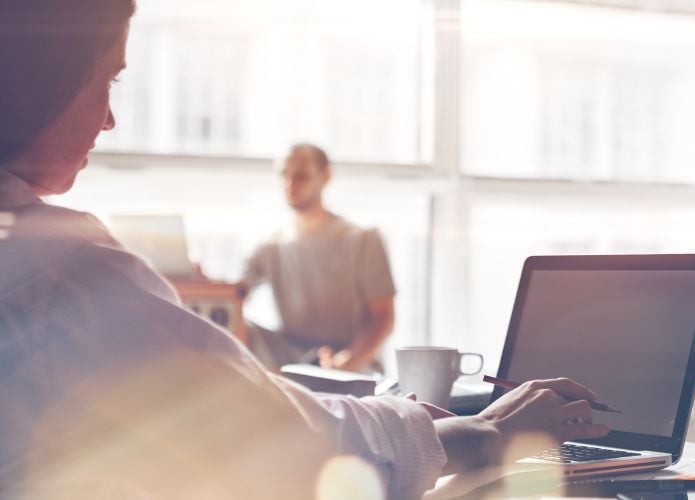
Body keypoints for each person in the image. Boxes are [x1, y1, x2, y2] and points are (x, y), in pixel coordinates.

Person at [0, 1, 610, 499]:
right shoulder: (63, 269)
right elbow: (268, 434)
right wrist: (482, 433)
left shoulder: (359, 238)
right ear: (40, 80)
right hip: (329, 402)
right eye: (107, 77)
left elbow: (375, 323)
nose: (109, 119)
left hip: (349, 382)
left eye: (300, 173)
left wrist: (351, 372)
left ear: (323, 178)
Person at [242, 143, 395, 372]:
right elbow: (233, 295)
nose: (290, 184)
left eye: (301, 176)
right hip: (290, 364)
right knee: (244, 326)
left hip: (352, 364)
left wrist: (348, 360)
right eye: (285, 175)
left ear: (325, 176)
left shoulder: (364, 239)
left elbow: (383, 317)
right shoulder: (269, 247)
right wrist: (201, 281)